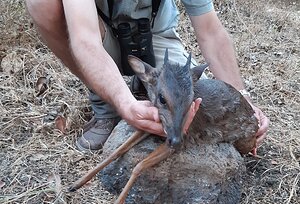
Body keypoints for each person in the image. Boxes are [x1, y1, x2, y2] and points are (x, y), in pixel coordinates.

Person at [25, 0, 269, 152]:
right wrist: (124, 104)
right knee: (42, 3)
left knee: (191, 97)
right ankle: (105, 107)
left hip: (155, 39)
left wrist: (243, 99)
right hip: (101, 37)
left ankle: (145, 90)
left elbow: (211, 32)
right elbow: (85, 40)